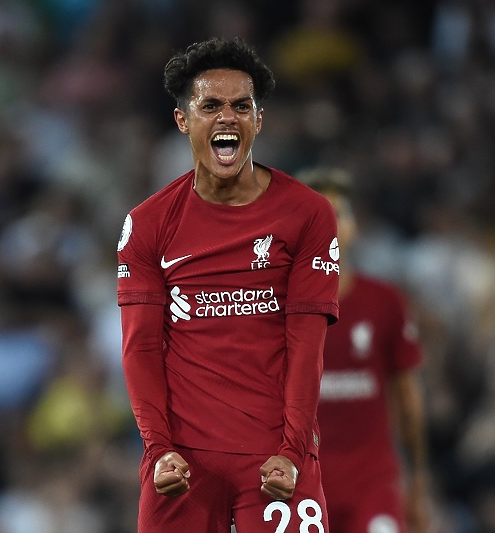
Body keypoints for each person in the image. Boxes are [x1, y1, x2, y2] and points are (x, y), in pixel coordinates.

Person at [116, 37, 340, 533]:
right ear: (183, 121)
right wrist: (159, 449)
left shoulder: (307, 214)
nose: (227, 117)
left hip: (276, 459)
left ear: (258, 120)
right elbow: (141, 347)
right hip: (183, 464)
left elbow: (307, 345)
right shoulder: (149, 224)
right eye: (210, 105)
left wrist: (292, 450)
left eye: (242, 106)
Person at [297, 167, 431, 533]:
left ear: (354, 226)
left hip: (372, 485)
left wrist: (418, 480)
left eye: (336, 215)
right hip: (301, 489)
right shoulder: (276, 311)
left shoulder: (384, 302)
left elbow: (409, 401)